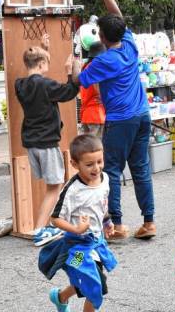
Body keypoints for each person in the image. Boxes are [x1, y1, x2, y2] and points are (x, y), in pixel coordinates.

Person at [72, 0, 157, 241]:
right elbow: (117, 13)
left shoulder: (103, 62)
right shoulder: (129, 46)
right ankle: (149, 222)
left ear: (103, 38)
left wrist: (73, 59)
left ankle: (118, 225)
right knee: (141, 170)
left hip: (120, 121)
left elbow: (78, 80)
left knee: (112, 171)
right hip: (142, 115)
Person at [39, 134, 116, 312]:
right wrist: (76, 229)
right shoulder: (73, 190)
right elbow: (55, 218)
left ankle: (60, 297)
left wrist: (107, 220)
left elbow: (101, 203)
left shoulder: (105, 179)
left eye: (99, 161)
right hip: (77, 249)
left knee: (86, 279)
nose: (96, 168)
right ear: (75, 164)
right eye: (89, 164)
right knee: (95, 285)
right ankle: (64, 298)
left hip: (96, 244)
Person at [15, 34, 80, 247]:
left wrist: (44, 48)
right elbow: (69, 92)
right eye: (46, 63)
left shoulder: (20, 85)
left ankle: (44, 226)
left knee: (51, 185)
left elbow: (40, 80)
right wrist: (70, 72)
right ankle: (41, 229)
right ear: (42, 64)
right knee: (55, 186)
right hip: (47, 142)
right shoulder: (46, 85)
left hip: (31, 143)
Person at [79, 42, 106, 138]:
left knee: (88, 148)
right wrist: (104, 98)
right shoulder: (95, 67)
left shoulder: (86, 67)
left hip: (87, 113)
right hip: (97, 114)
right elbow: (96, 85)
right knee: (97, 148)